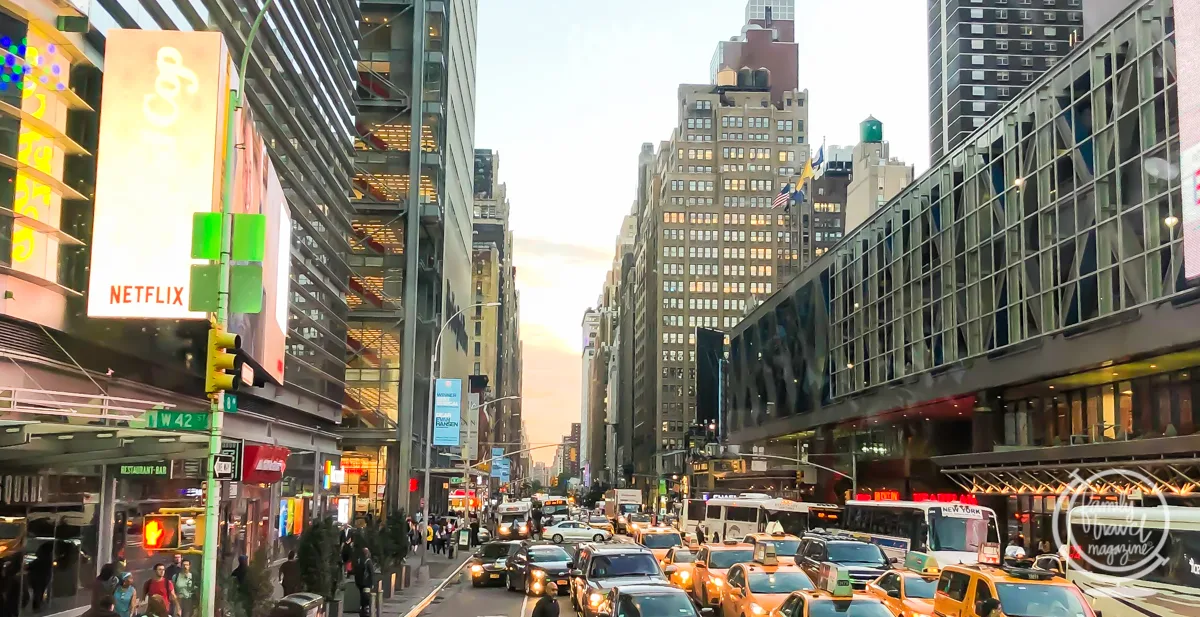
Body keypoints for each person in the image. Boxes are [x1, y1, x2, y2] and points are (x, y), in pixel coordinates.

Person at [353, 548, 376, 617]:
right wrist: (372, 583)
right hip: (367, 583)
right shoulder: (369, 561)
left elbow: (355, 572)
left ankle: (362, 610)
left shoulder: (359, 561)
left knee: (362, 596)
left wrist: (357, 582)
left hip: (360, 583)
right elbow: (372, 573)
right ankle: (366, 611)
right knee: (366, 597)